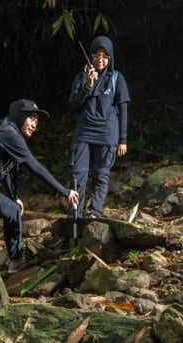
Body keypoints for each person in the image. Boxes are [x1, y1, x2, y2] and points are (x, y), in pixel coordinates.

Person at [0, 99, 80, 273]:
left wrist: (13, 196)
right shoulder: (9, 134)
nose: (34, 125)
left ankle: (15, 261)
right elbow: (35, 167)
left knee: (12, 210)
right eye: (31, 119)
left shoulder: (6, 128)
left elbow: (8, 171)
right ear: (19, 116)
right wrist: (64, 191)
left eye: (36, 121)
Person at [67, 35, 131, 219]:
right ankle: (75, 215)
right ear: (90, 56)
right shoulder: (82, 78)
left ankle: (95, 211)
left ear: (110, 58)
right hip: (84, 132)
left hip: (107, 133)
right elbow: (73, 105)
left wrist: (123, 139)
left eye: (104, 56)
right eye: (96, 55)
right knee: (77, 174)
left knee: (101, 175)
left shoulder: (116, 78)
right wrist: (88, 86)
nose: (100, 60)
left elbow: (123, 109)